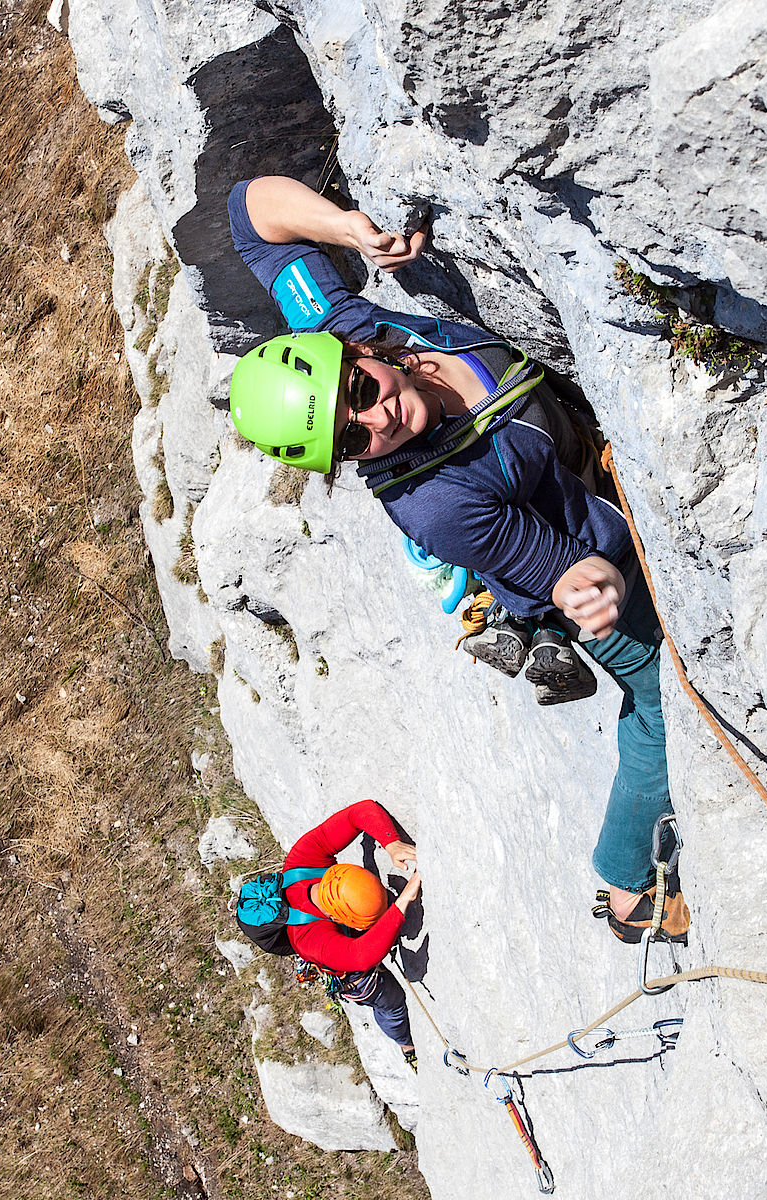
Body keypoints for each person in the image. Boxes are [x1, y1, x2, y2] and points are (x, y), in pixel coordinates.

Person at [224, 175, 688, 942]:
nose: (376, 420)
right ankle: (624, 877)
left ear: (353, 351)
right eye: (350, 439)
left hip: (568, 482)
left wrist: (348, 230)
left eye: (360, 390)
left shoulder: (343, 318)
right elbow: (571, 564)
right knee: (660, 706)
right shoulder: (434, 501)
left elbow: (248, 216)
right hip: (578, 547)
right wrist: (597, 588)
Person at [282, 800, 422, 1063]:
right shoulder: (311, 940)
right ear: (339, 918)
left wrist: (390, 843)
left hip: (344, 938)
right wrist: (403, 902)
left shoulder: (304, 859)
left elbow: (360, 812)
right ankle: (405, 1045)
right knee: (390, 1002)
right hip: (349, 971)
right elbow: (360, 957)